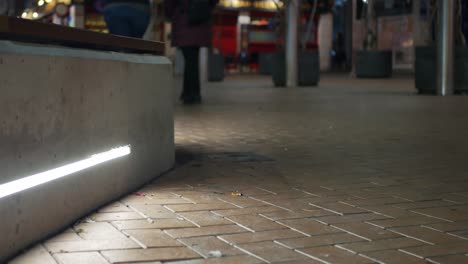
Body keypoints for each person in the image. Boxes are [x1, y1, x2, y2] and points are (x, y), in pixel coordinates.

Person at [165, 0, 219, 105]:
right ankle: (191, 93)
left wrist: (171, 14)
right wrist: (205, 10)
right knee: (192, 60)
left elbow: (169, 4)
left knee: (190, 60)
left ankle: (191, 94)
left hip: (184, 22)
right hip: (200, 23)